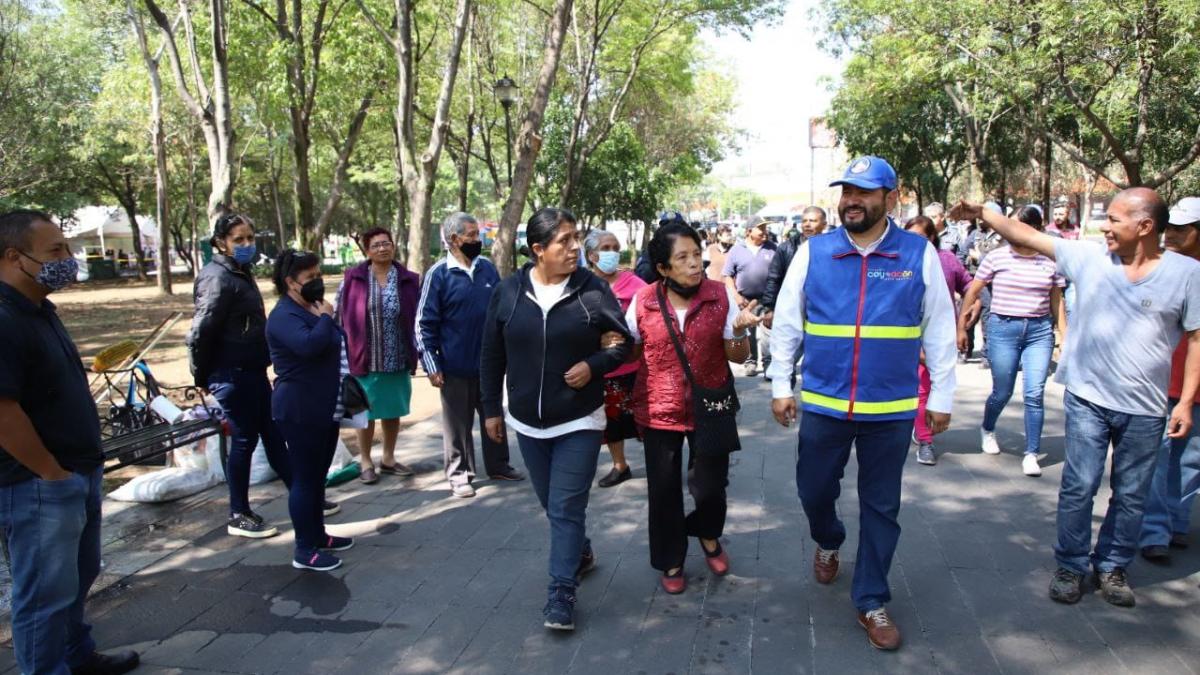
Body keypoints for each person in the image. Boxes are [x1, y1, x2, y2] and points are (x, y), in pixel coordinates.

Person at [949, 188, 1200, 608]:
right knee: (1079, 485)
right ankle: (1070, 564)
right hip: (1087, 397)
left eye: (1116, 220)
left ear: (1145, 227)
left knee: (1132, 492)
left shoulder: (1186, 274)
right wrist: (982, 212)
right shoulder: (1088, 258)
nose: (1105, 225)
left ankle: (1113, 565)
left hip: (1146, 407)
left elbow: (1196, 339)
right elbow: (1024, 235)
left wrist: (1186, 401)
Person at [769, 156, 957, 651]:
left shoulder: (918, 255)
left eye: (864, 192)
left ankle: (871, 598)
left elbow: (939, 327)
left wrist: (941, 395)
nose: (852, 200)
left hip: (890, 409)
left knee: (881, 507)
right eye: (847, 191)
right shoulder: (815, 252)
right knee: (813, 491)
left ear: (890, 198)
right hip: (824, 403)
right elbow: (788, 320)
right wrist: (780, 384)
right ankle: (828, 539)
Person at [0, 210, 141, 675]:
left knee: (78, 579)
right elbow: (3, 412)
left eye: (67, 248)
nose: (69, 259)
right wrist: (52, 473)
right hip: (38, 483)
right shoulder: (4, 318)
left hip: (76, 470)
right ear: (12, 258)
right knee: (44, 595)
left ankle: (76, 655)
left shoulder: (39, 308)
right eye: (55, 251)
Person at [480, 207, 632, 632]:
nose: (573, 248)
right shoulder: (508, 292)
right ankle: (580, 550)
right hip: (527, 422)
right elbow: (491, 353)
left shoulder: (593, 290)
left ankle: (561, 591)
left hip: (579, 419)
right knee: (552, 504)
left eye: (575, 238)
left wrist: (594, 364)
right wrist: (491, 407)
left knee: (565, 506)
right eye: (563, 241)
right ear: (538, 250)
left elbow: (624, 344)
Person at [625, 221, 760, 593]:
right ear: (663, 269)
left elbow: (738, 354)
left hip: (712, 405)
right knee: (663, 490)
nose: (694, 264)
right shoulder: (644, 300)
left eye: (697, 255)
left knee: (711, 488)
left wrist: (741, 330)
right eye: (682, 258)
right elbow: (632, 349)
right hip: (658, 409)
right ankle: (671, 559)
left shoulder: (720, 295)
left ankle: (708, 535)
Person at [187, 213, 296, 539]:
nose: (247, 245)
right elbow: (201, 331)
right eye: (239, 240)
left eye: (250, 238)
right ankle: (238, 512)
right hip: (230, 375)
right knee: (245, 440)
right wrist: (203, 375)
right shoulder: (217, 278)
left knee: (273, 435)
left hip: (251, 371)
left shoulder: (238, 272)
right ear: (221, 242)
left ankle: (304, 495)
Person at [417, 212, 522, 499]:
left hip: (488, 364)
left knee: (493, 413)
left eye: (478, 234)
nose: (479, 240)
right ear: (454, 239)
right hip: (454, 365)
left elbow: (502, 310)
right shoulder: (438, 274)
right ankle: (459, 474)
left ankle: (499, 465)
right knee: (458, 424)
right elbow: (423, 323)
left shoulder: (487, 268)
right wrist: (431, 363)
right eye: (473, 235)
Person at [957, 206, 1067, 477]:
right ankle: (988, 428)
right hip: (1003, 328)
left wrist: (1065, 336)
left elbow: (1056, 300)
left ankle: (1031, 452)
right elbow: (973, 290)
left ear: (1033, 228)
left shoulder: (1050, 260)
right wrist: (961, 325)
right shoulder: (997, 258)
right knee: (1002, 391)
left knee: (1034, 393)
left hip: (1039, 331)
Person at [267, 250, 355, 571]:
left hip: (324, 405)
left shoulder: (312, 307)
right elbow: (308, 346)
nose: (317, 282)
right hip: (298, 408)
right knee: (304, 479)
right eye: (310, 277)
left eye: (318, 274)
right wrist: (326, 318)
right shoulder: (283, 316)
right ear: (290, 282)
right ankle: (304, 549)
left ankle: (319, 534)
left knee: (318, 476)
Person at [1139, 197, 1200, 562]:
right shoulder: (1160, 267)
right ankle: (1155, 531)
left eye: (1181, 228)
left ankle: (1177, 522)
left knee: (1190, 458)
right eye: (1169, 228)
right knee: (1159, 458)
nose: (1172, 235)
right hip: (1160, 382)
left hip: (1193, 387)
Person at [335, 228, 420, 484]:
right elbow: (338, 314)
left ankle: (389, 458)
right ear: (367, 251)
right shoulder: (353, 278)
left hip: (397, 356)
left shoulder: (408, 279)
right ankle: (365, 460)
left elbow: (418, 316)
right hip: (364, 357)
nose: (383, 248)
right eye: (376, 245)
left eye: (387, 243)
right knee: (365, 412)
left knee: (392, 409)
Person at [904, 215, 972, 465]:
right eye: (909, 237)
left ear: (932, 237)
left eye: (920, 238)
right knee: (920, 391)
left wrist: (966, 316)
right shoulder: (898, 262)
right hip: (910, 337)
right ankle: (924, 439)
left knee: (931, 388)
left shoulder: (947, 260)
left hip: (939, 335)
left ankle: (923, 435)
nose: (914, 243)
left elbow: (969, 286)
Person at [582, 228, 646, 488]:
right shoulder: (583, 285)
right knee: (610, 420)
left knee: (645, 416)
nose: (612, 253)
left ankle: (659, 461)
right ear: (591, 255)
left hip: (636, 363)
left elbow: (652, 311)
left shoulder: (635, 283)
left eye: (615, 247)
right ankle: (620, 465)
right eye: (605, 248)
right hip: (604, 367)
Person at [722, 217, 777, 376]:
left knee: (768, 333)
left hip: (767, 300)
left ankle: (768, 364)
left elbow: (779, 274)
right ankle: (750, 362)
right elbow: (727, 276)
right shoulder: (736, 250)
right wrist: (736, 296)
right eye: (761, 229)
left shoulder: (772, 248)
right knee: (748, 332)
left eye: (766, 228)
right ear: (749, 231)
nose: (765, 232)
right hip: (745, 301)